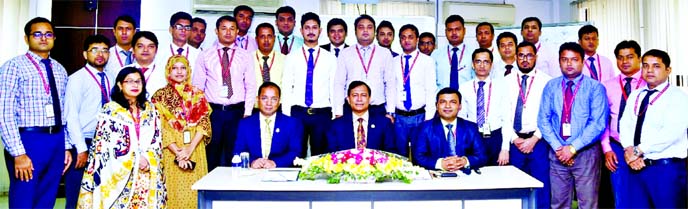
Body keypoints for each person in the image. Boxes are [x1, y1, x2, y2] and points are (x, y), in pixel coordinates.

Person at [0, 17, 72, 209]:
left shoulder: (59, 69)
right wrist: (18, 153)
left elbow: (64, 111)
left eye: (48, 34)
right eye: (37, 34)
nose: (43, 38)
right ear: (26, 38)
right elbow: (4, 112)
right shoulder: (13, 67)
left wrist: (65, 145)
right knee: (24, 198)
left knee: (47, 198)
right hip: (28, 140)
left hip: (56, 140)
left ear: (54, 38)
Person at [77, 67, 165, 209]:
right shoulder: (110, 110)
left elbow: (157, 139)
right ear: (120, 85)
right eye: (129, 81)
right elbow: (105, 146)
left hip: (146, 171)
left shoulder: (151, 109)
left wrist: (147, 158)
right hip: (118, 174)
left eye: (138, 81)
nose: (135, 85)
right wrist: (136, 159)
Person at [538, 42, 608, 209]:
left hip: (586, 154)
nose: (569, 64)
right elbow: (543, 120)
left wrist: (572, 148)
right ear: (559, 61)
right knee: (559, 203)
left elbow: (598, 124)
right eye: (564, 59)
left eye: (574, 59)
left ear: (583, 61)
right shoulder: (551, 86)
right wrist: (560, 148)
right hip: (557, 154)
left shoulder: (595, 88)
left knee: (588, 203)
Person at [620, 49, 687, 209]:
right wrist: (629, 150)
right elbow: (625, 124)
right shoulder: (636, 95)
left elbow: (671, 133)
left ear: (668, 70)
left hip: (664, 169)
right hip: (636, 167)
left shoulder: (678, 97)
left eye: (656, 66)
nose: (649, 70)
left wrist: (637, 151)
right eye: (645, 66)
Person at [193, 15, 256, 171]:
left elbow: (250, 85)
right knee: (211, 153)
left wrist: (247, 112)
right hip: (212, 112)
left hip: (237, 112)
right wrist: (200, 115)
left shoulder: (245, 55)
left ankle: (233, 190)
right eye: (224, 28)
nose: (228, 32)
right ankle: (210, 190)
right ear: (216, 31)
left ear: (237, 32)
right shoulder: (205, 55)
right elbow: (197, 87)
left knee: (235, 152)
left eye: (232, 29)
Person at [151, 56, 212, 209]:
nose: (179, 72)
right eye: (174, 68)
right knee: (174, 192)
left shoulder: (198, 94)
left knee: (195, 191)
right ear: (168, 71)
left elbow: (204, 124)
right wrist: (178, 152)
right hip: (171, 149)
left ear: (188, 71)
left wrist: (189, 149)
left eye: (183, 68)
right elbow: (159, 125)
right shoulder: (159, 96)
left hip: (195, 147)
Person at [64, 34, 113, 209]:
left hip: (105, 142)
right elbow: (71, 116)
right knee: (76, 195)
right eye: (95, 50)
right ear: (85, 54)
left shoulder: (109, 78)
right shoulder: (76, 79)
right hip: (83, 143)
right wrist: (81, 149)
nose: (100, 54)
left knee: (100, 193)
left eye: (105, 50)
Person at [502, 41, 553, 209]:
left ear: (535, 57)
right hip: (515, 141)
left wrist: (534, 138)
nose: (525, 59)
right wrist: (514, 139)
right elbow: (505, 114)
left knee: (541, 186)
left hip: (538, 141)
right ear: (515, 57)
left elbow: (549, 114)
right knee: (515, 187)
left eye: (529, 55)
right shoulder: (507, 81)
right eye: (521, 55)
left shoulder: (547, 81)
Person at [282, 12, 337, 157]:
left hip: (322, 113)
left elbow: (334, 88)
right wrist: (286, 115)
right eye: (307, 28)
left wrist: (335, 113)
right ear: (301, 31)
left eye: (314, 28)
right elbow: (286, 87)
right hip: (297, 113)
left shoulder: (330, 58)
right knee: (295, 154)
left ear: (320, 30)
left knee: (320, 155)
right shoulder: (291, 57)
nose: (311, 31)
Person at [600, 40, 644, 208]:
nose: (625, 61)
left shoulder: (649, 83)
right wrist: (607, 149)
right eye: (620, 57)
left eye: (630, 57)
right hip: (616, 147)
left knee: (643, 195)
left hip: (645, 147)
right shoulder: (607, 86)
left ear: (639, 59)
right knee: (621, 196)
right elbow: (603, 120)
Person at [334, 14, 396, 122]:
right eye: (361, 27)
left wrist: (390, 111)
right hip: (351, 109)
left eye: (369, 27)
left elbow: (390, 84)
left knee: (377, 139)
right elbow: (339, 83)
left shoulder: (385, 53)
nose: (365, 31)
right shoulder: (345, 53)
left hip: (377, 109)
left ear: (374, 31)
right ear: (355, 31)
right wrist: (339, 112)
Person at [413, 88, 487, 171]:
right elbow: (418, 157)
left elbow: (482, 156)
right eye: (443, 102)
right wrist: (440, 164)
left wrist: (465, 161)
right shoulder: (425, 128)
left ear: (460, 106)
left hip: (465, 176)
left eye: (453, 102)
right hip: (436, 177)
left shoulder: (471, 128)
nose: (447, 106)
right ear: (436, 106)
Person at [458, 48, 508, 166]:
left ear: (491, 65)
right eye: (478, 61)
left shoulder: (501, 86)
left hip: (495, 136)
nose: (482, 65)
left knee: (496, 177)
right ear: (473, 64)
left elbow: (507, 118)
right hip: (472, 136)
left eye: (486, 62)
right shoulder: (464, 88)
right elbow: (461, 118)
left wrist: (505, 148)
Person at [234, 82, 303, 168]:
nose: (269, 103)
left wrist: (275, 163)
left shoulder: (292, 123)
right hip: (253, 173)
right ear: (257, 99)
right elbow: (238, 151)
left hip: (280, 173)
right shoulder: (245, 124)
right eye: (264, 98)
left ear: (279, 101)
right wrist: (251, 162)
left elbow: (296, 152)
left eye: (274, 99)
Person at [393, 24, 437, 157]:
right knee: (400, 156)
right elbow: (389, 89)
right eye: (403, 37)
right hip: (398, 118)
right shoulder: (393, 61)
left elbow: (431, 90)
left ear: (417, 39)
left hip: (419, 116)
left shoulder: (427, 61)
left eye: (410, 37)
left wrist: (429, 118)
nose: (406, 40)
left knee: (420, 154)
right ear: (399, 40)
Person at [327, 81, 396, 154]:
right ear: (348, 99)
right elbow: (331, 154)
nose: (359, 99)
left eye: (363, 95)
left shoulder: (384, 123)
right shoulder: (336, 125)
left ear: (369, 99)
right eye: (355, 95)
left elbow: (391, 153)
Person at [432, 15, 474, 90]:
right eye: (450, 30)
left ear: (464, 31)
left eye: (457, 29)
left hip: (466, 99)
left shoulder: (473, 54)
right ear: (445, 32)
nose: (454, 33)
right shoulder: (436, 55)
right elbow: (432, 81)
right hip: (443, 99)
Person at [158, 11, 200, 76]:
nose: (184, 30)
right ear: (171, 29)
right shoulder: (160, 53)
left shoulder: (198, 55)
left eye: (187, 27)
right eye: (179, 27)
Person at [126, 31, 165, 99]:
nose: (145, 50)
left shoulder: (165, 72)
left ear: (156, 50)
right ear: (133, 49)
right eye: (140, 46)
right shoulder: (124, 71)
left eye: (151, 46)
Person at [253, 23, 285, 88]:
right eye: (262, 36)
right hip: (254, 98)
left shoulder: (284, 59)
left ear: (274, 38)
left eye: (269, 36)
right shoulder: (248, 59)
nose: (266, 40)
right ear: (256, 39)